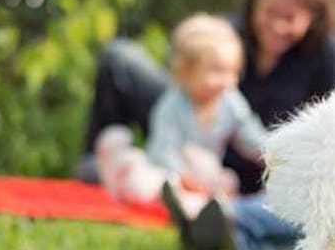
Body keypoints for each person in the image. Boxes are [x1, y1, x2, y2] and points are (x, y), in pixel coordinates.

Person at [77, 0, 335, 250]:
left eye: (289, 18)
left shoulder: (326, 52)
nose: (277, 26)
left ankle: (218, 214)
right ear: (253, 5)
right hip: (193, 134)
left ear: (313, 16)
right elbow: (183, 71)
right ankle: (97, 167)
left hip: (257, 170)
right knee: (119, 59)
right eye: (270, 13)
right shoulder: (226, 34)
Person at [95, 13, 264, 207]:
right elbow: (163, 153)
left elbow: (251, 135)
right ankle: (120, 163)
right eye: (217, 71)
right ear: (186, 71)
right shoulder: (172, 105)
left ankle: (198, 204)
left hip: (206, 174)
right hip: (172, 173)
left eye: (233, 71)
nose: (227, 80)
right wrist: (186, 181)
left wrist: (273, 155)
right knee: (144, 182)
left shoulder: (230, 100)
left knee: (228, 180)